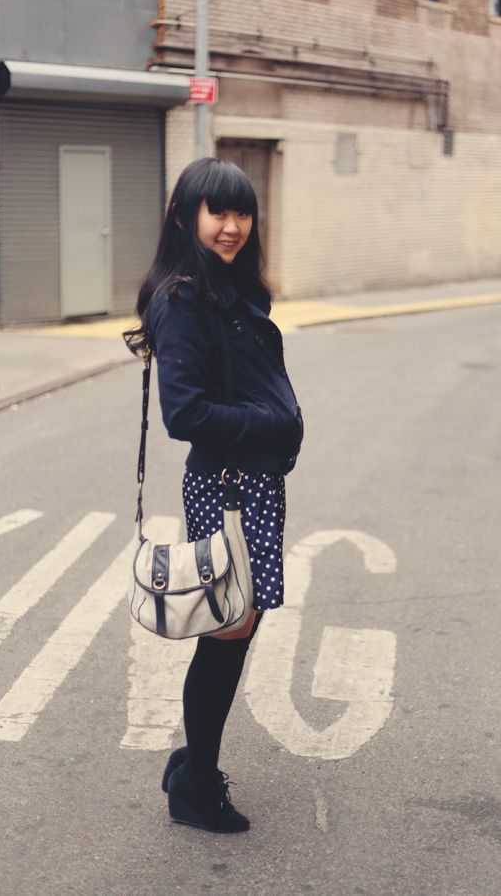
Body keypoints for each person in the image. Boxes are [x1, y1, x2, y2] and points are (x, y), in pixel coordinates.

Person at [124, 157, 304, 833]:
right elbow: (184, 414)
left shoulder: (227, 287)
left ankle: (192, 763)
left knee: (236, 625)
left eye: (242, 212)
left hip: (252, 484)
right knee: (228, 629)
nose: (232, 226)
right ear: (184, 217)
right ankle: (197, 784)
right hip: (229, 486)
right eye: (217, 212)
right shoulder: (182, 299)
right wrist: (272, 422)